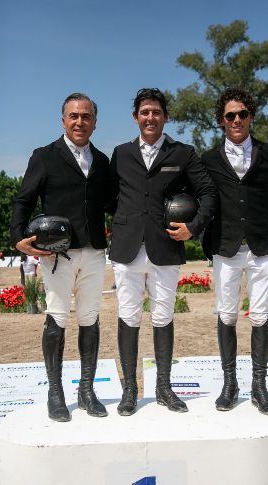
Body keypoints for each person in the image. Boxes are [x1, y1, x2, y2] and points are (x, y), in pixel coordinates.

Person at [107, 88, 217, 416]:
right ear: (136, 117)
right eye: (144, 112)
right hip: (127, 248)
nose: (150, 117)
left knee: (163, 317)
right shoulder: (121, 153)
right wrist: (125, 220)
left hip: (166, 248)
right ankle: (130, 390)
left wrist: (192, 228)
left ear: (165, 117)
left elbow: (208, 192)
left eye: (156, 112)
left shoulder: (183, 153)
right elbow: (110, 198)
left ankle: (164, 389)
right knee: (128, 317)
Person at [10, 92, 110, 422]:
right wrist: (18, 239)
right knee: (56, 319)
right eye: (73, 116)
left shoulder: (103, 160)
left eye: (86, 116)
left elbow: (112, 204)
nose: (80, 121)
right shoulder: (44, 156)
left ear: (95, 122)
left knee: (90, 319)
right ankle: (55, 392)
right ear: (63, 120)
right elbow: (23, 200)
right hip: (57, 255)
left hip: (95, 252)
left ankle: (87, 391)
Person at [200, 87, 268, 415]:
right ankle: (230, 383)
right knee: (226, 315)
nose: (236, 119)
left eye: (242, 114)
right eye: (230, 115)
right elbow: (205, 197)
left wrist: (255, 211)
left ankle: (259, 385)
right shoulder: (209, 159)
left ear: (251, 116)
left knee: (261, 315)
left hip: (262, 246)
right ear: (222, 121)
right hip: (225, 247)